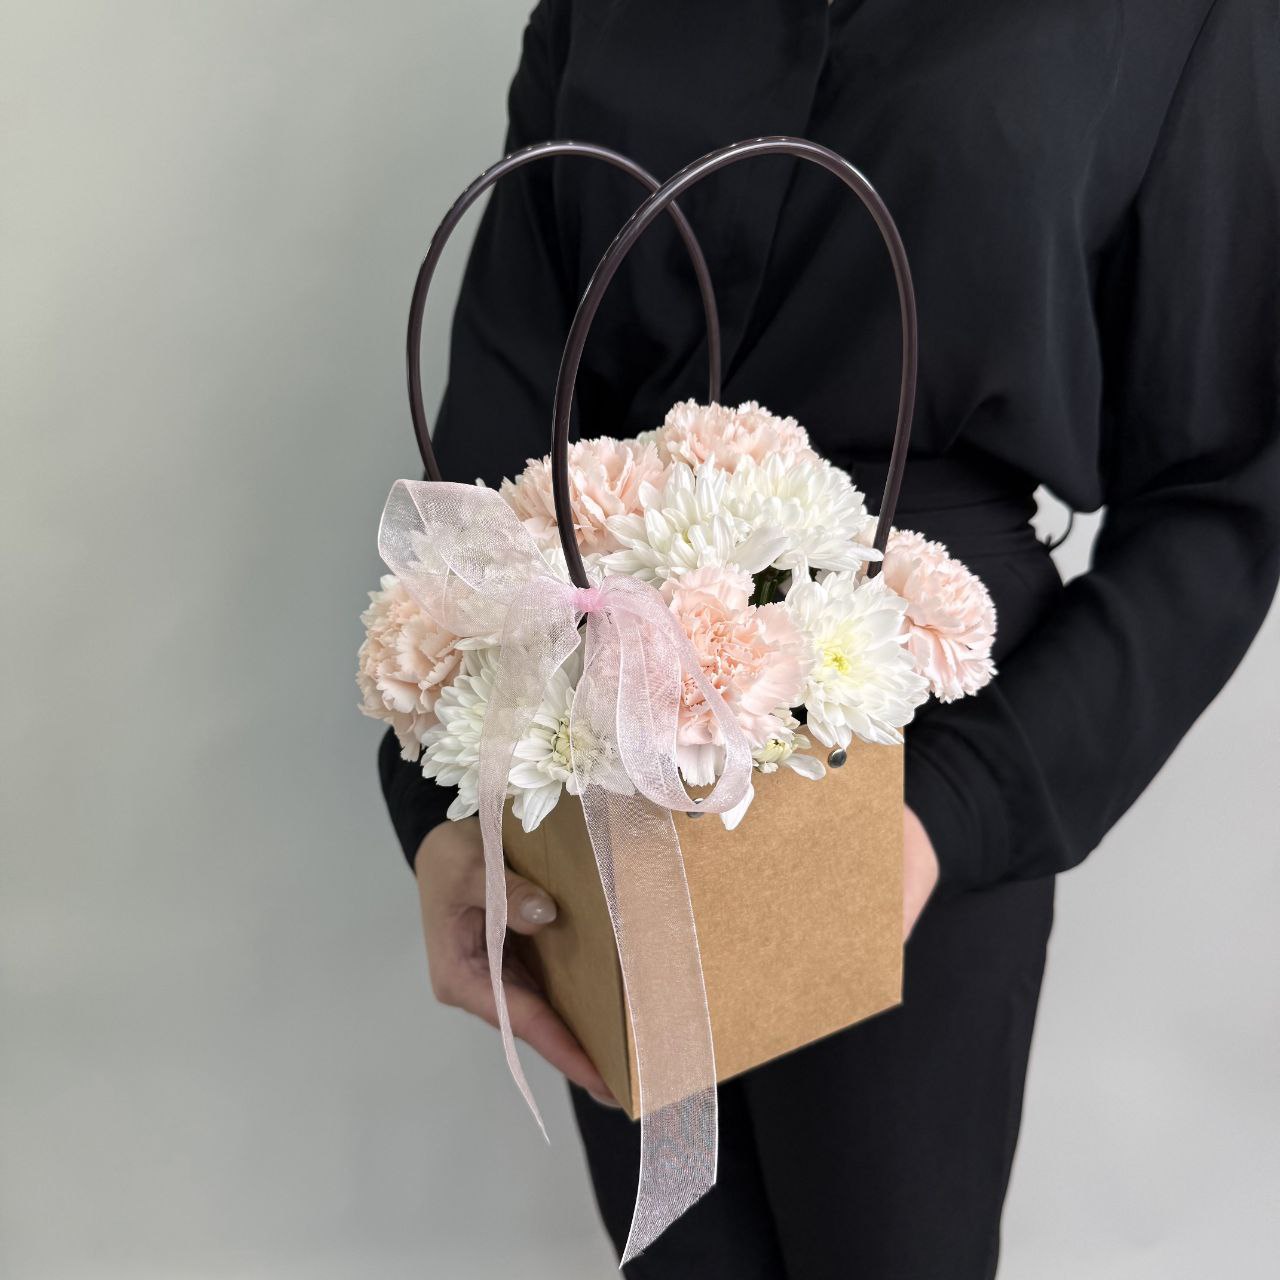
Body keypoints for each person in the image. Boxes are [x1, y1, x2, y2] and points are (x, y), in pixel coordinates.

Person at [377, 2, 1279, 1276]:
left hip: (915, 735)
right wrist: (442, 811)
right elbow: (498, 418)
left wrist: (951, 809)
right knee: (680, 1256)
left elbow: (1220, 494)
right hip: (599, 727)